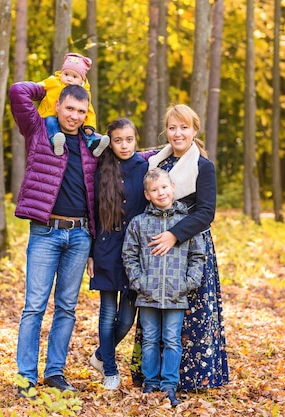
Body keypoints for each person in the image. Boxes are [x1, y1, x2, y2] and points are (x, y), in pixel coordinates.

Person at [130, 104, 230, 391]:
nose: (178, 133)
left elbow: (206, 212)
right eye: (172, 128)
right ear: (166, 131)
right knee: (154, 313)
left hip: (189, 244)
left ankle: (190, 379)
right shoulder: (157, 165)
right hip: (156, 249)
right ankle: (152, 379)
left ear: (194, 130)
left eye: (184, 127)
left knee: (191, 311)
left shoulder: (202, 166)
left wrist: (174, 234)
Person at [8, 81, 98, 396]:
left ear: (87, 114)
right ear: (58, 105)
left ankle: (55, 373)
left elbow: (126, 163)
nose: (74, 116)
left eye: (81, 111)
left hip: (80, 235)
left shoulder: (92, 144)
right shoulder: (39, 131)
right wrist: (52, 84)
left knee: (66, 307)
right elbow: (18, 91)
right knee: (34, 306)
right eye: (69, 108)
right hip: (45, 233)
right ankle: (25, 378)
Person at [122, 168, 205, 407]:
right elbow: (129, 255)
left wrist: (188, 283)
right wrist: (140, 283)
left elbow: (198, 255)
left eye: (164, 187)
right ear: (147, 195)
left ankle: (169, 385)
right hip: (147, 294)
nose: (161, 193)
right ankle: (151, 383)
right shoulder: (139, 223)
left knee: (171, 339)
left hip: (176, 293)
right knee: (149, 339)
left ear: (173, 188)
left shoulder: (186, 223)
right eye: (155, 190)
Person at [86, 118, 149, 390]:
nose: (124, 145)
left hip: (135, 251)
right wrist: (90, 253)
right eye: (118, 140)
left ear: (136, 139)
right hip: (107, 248)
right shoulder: (101, 168)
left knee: (126, 318)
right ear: (109, 142)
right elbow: (91, 213)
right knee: (108, 311)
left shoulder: (146, 167)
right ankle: (110, 371)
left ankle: (101, 355)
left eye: (129, 139)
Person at [37, 52, 109, 157]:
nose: (69, 79)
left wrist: (89, 125)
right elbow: (41, 85)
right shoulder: (54, 81)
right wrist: (33, 88)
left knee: (85, 131)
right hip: (50, 113)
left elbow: (89, 111)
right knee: (50, 122)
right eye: (66, 74)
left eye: (74, 77)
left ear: (81, 80)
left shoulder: (83, 93)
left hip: (71, 124)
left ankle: (94, 143)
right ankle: (56, 140)